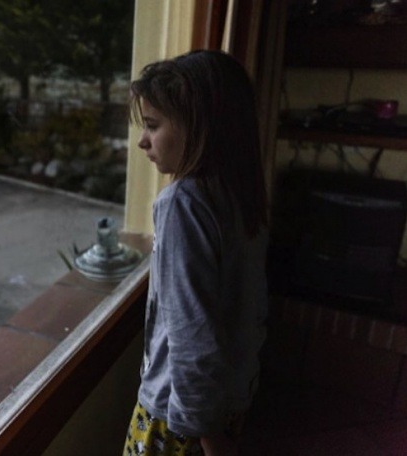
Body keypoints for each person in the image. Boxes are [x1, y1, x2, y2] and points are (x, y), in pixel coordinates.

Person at [123, 50, 269, 456]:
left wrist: (208, 437)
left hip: (180, 422)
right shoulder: (240, 194)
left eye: (152, 125)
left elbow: (192, 336)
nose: (142, 141)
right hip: (231, 403)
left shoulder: (182, 204)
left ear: (200, 128)